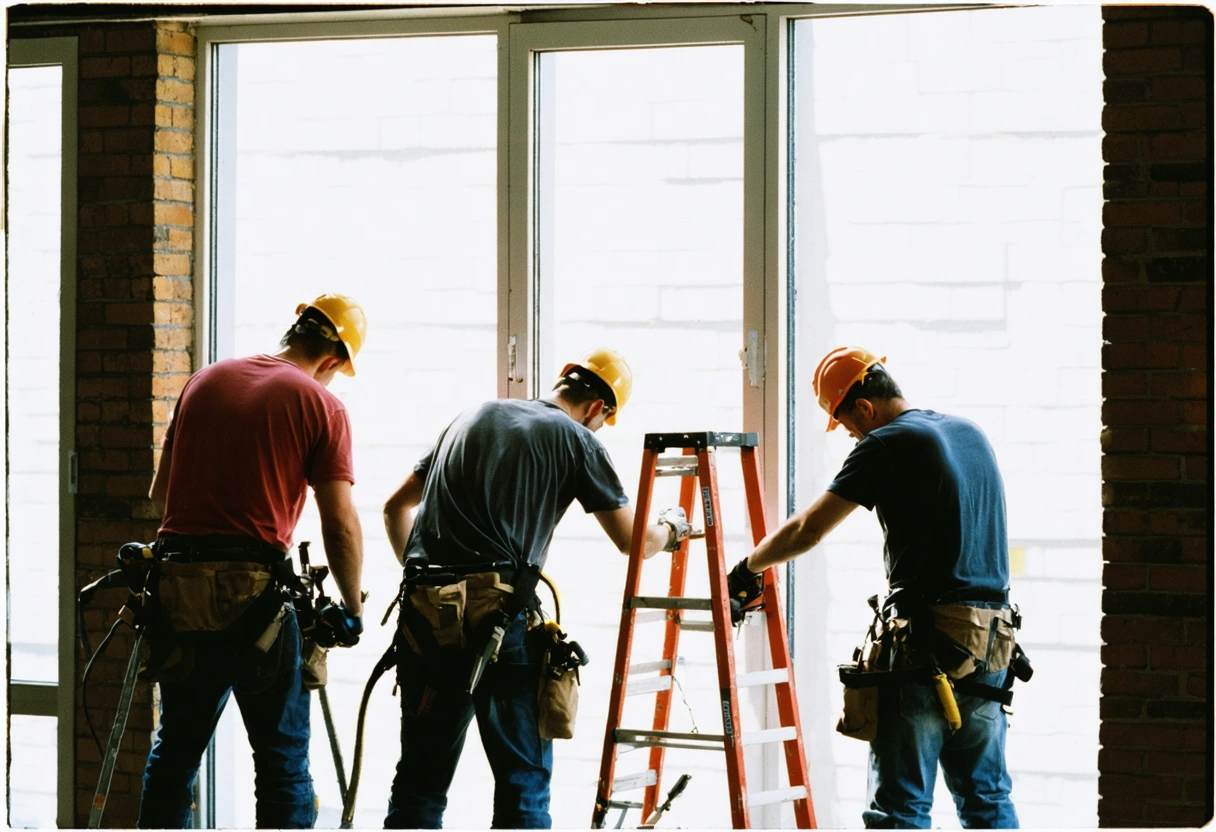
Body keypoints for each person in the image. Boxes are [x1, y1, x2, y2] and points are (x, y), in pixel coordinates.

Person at [380, 348, 691, 829]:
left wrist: (432, 581)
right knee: (522, 785)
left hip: (426, 620)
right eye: (602, 422)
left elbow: (393, 508)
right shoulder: (574, 439)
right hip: (499, 624)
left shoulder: (471, 416)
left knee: (420, 782)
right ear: (597, 408)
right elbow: (633, 541)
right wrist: (672, 527)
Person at [727, 346, 1020, 829]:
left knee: (899, 811)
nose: (852, 436)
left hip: (929, 645)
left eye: (848, 425)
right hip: (992, 644)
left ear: (864, 407)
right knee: (985, 800)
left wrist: (749, 567)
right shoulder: (969, 432)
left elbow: (808, 530)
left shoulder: (886, 443)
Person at [137, 294, 369, 829]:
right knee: (282, 760)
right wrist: (352, 608)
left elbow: (160, 495)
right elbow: (339, 523)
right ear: (333, 359)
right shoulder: (321, 404)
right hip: (253, 597)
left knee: (174, 753)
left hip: (179, 589)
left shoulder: (205, 380)